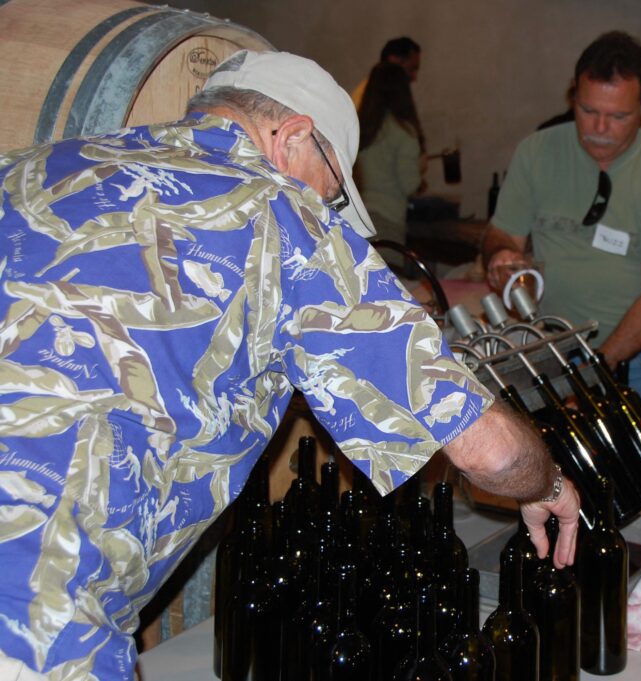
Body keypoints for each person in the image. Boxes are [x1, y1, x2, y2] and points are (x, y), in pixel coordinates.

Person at [0, 50, 580, 681]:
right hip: (35, 607)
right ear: (294, 135)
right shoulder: (284, 214)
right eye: (329, 189)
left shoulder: (32, 168)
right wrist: (545, 484)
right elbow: (488, 453)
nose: (325, 210)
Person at [483, 31, 641, 451]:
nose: (599, 128)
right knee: (553, 487)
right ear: (572, 96)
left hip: (639, 363)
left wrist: (594, 372)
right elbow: (501, 233)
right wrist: (501, 253)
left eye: (617, 117)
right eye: (587, 110)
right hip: (551, 354)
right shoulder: (537, 152)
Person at [355, 61, 427, 252]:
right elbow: (409, 184)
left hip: (357, 217)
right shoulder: (403, 132)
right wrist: (419, 167)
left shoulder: (360, 128)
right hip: (387, 220)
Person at [351, 36, 422, 109]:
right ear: (394, 61)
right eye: (411, 69)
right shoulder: (370, 96)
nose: (414, 77)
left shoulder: (373, 90)